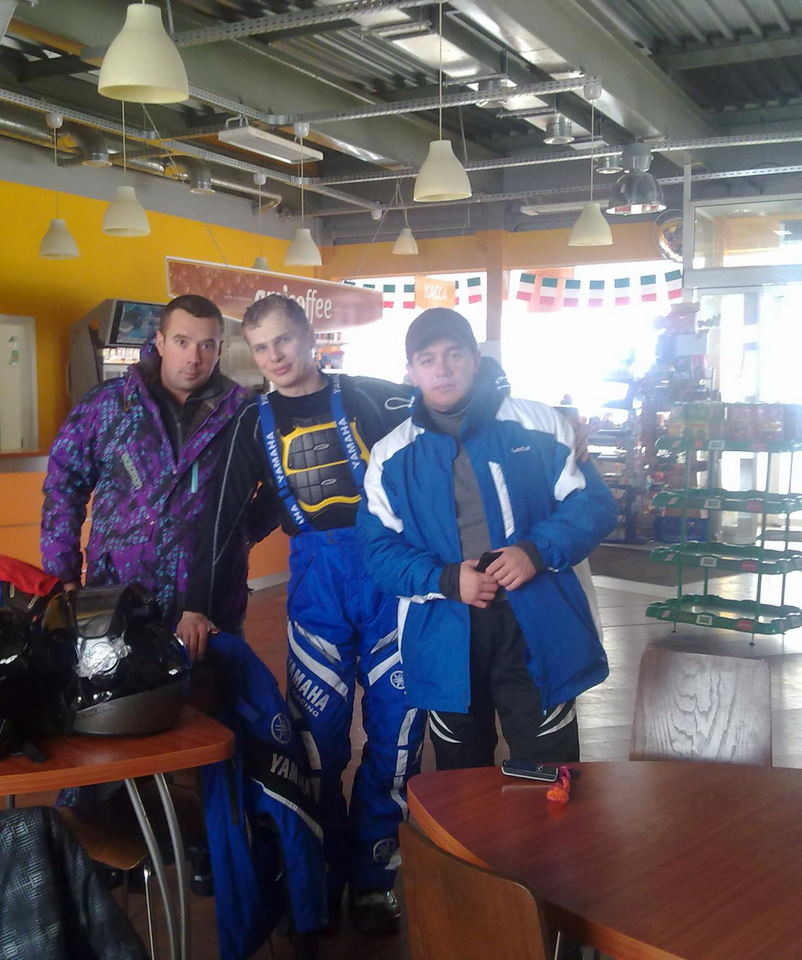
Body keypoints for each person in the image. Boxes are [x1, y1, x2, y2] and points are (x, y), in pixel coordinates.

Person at [177, 294, 423, 935]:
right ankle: (319, 874)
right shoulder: (248, 424)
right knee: (315, 744)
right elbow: (221, 518)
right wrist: (197, 603)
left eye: (284, 340)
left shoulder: (372, 396)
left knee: (398, 737)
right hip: (317, 588)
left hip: (394, 577)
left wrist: (556, 423)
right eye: (261, 348)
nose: (275, 357)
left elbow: (452, 396)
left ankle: (375, 878)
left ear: (310, 336)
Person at [357, 308, 617, 770]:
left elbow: (593, 505)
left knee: (548, 770)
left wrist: (534, 552)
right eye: (428, 359)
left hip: (536, 626)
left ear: (475, 359)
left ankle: (547, 823)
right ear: (411, 371)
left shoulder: (541, 426)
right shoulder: (391, 456)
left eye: (454, 354)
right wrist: (445, 579)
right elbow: (378, 551)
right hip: (444, 630)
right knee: (460, 776)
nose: (442, 369)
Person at [41, 294, 272, 629]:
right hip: (118, 598)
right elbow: (63, 486)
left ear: (220, 349)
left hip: (210, 602)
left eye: (206, 345)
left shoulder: (244, 414)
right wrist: (63, 575)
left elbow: (281, 484)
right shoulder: (109, 405)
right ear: (161, 342)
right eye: (182, 342)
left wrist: (240, 535)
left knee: (214, 667)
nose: (194, 358)